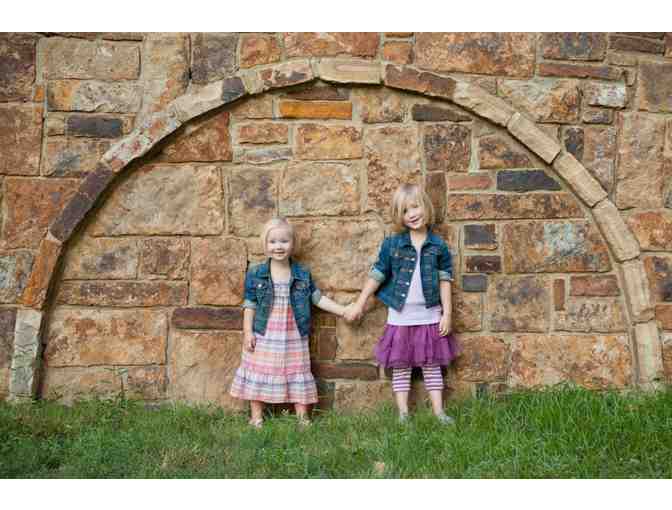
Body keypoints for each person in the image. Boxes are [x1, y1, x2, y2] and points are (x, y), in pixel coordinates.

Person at [345, 183, 460, 424]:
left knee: (432, 364)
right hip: (401, 316)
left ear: (425, 207)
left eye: (415, 207)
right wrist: (359, 303)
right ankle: (403, 414)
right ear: (400, 216)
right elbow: (377, 274)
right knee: (401, 366)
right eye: (405, 211)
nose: (412, 214)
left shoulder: (438, 246)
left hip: (430, 314)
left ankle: (439, 412)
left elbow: (445, 280)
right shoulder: (393, 245)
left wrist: (447, 314)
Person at [230, 217, 349, 428]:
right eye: (273, 241)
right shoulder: (257, 274)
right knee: (258, 369)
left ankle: (303, 418)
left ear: (293, 244)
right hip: (264, 332)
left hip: (293, 333)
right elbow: (250, 305)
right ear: (265, 244)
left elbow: (317, 298)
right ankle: (256, 417)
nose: (278, 246)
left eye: (284, 241)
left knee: (297, 370)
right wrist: (248, 332)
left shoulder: (301, 274)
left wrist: (343, 310)